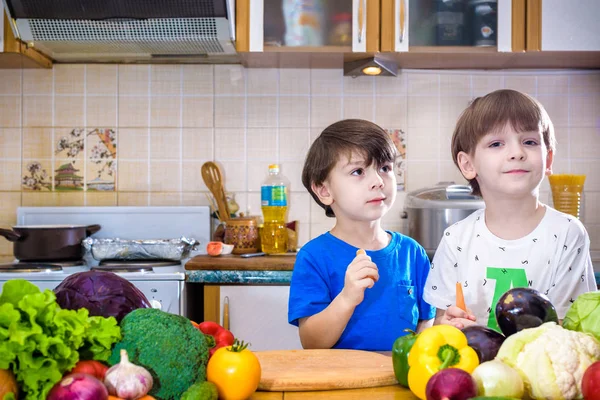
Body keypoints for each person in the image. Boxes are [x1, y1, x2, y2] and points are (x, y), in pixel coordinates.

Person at [423, 89, 596, 332]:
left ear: (548, 159)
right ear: (468, 164)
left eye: (529, 142)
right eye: (496, 143)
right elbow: (441, 321)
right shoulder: (456, 239)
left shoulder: (567, 233)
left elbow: (570, 327)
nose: (517, 153)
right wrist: (449, 322)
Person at [288, 119, 435, 351]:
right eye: (358, 171)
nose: (378, 181)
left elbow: (427, 320)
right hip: (339, 382)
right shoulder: (313, 257)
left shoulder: (412, 253)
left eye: (385, 168)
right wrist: (347, 298)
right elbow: (311, 343)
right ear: (324, 191)